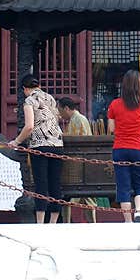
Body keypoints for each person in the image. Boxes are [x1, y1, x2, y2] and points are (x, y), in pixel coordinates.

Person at [9, 74, 63, 224]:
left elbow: (29, 126)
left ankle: (40, 222)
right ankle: (53, 222)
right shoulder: (50, 98)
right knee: (55, 183)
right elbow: (56, 119)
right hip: (57, 145)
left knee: (41, 184)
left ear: (25, 89)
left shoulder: (30, 100)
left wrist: (17, 141)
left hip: (40, 145)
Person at [107, 69, 140, 223]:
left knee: (123, 185)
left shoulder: (115, 104)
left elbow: (111, 129)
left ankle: (128, 221)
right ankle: (139, 212)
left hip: (120, 148)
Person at [57, 96, 102, 224]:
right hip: (80, 163)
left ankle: (71, 223)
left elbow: (77, 140)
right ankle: (90, 223)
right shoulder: (75, 119)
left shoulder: (78, 119)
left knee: (74, 197)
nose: (60, 114)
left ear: (66, 108)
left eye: (60, 110)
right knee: (84, 197)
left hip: (80, 164)